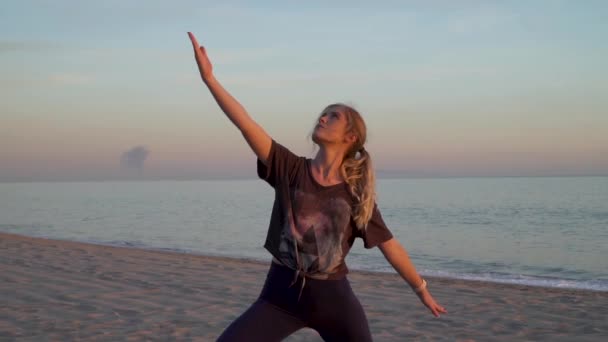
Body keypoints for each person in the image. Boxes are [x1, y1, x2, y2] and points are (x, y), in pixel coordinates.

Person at [187, 32, 447, 342]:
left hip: (333, 302)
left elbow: (390, 246)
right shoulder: (290, 168)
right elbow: (246, 124)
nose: (322, 118)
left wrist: (421, 289)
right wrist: (210, 80)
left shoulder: (354, 197)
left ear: (350, 138)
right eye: (323, 113)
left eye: (333, 115)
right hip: (278, 298)